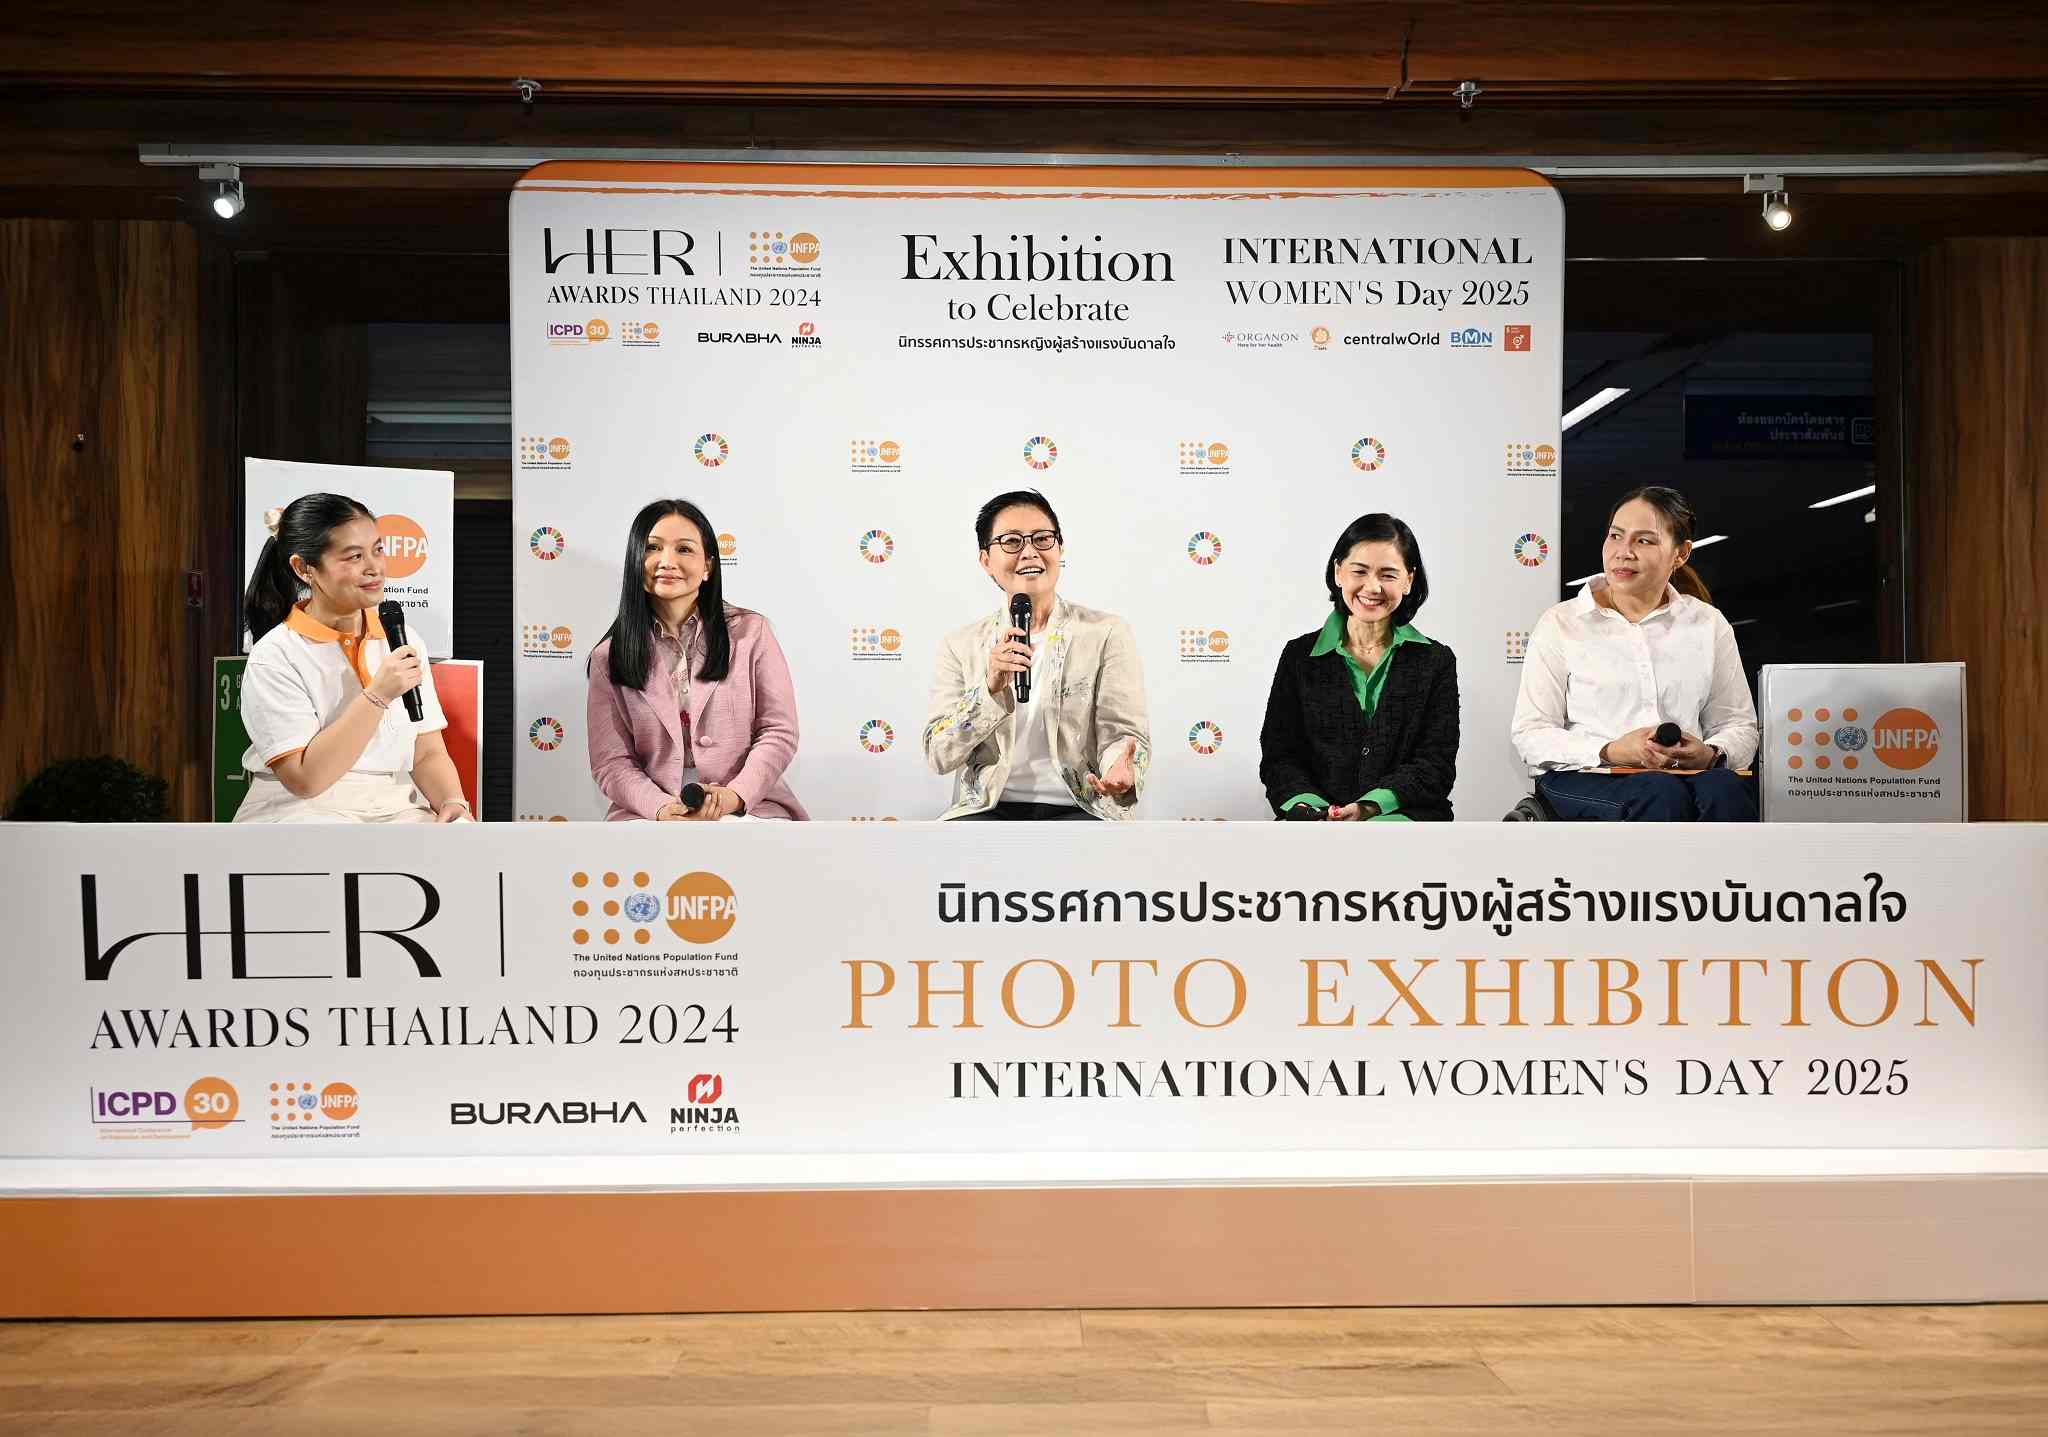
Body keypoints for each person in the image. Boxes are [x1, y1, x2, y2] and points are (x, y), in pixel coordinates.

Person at [1511, 484, 1759, 821]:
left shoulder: (1708, 623)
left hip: (1681, 775)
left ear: (1681, 554)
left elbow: (1738, 724)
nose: (1623, 552)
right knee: (1659, 793)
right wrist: (1611, 750)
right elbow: (1531, 733)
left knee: (1725, 789)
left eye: (1644, 541)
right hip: (1585, 775)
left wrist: (1711, 753)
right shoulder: (1561, 623)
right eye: (1616, 536)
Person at [236, 493, 473, 823]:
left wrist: (452, 801)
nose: (374, 568)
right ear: (304, 568)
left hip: (394, 807)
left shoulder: (402, 638)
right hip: (301, 810)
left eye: (377, 550)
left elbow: (427, 752)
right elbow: (304, 780)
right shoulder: (276, 655)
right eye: (354, 557)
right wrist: (378, 695)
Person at [923, 489, 1149, 820]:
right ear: (986, 561)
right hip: (988, 808)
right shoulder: (961, 645)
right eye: (1012, 542)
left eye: (1042, 539)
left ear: (1059, 548)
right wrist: (989, 689)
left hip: (1081, 806)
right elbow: (939, 754)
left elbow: (1121, 734)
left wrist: (1120, 768)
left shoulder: (1105, 633)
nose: (1030, 552)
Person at [586, 498, 806, 821]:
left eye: (684, 549)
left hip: (748, 808)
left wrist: (734, 796)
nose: (667, 561)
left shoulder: (751, 633)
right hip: (650, 815)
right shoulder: (608, 657)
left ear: (707, 567)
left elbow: (778, 731)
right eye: (652, 547)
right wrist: (661, 808)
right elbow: (611, 762)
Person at [1259, 513, 1460, 821]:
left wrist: (1370, 806)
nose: (1373, 587)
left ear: (1409, 580)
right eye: (1360, 571)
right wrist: (1313, 810)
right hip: (1314, 825)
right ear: (1338, 572)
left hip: (1405, 821)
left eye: (1388, 574)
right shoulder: (1298, 656)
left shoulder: (1436, 661)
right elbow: (1280, 756)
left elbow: (1435, 764)